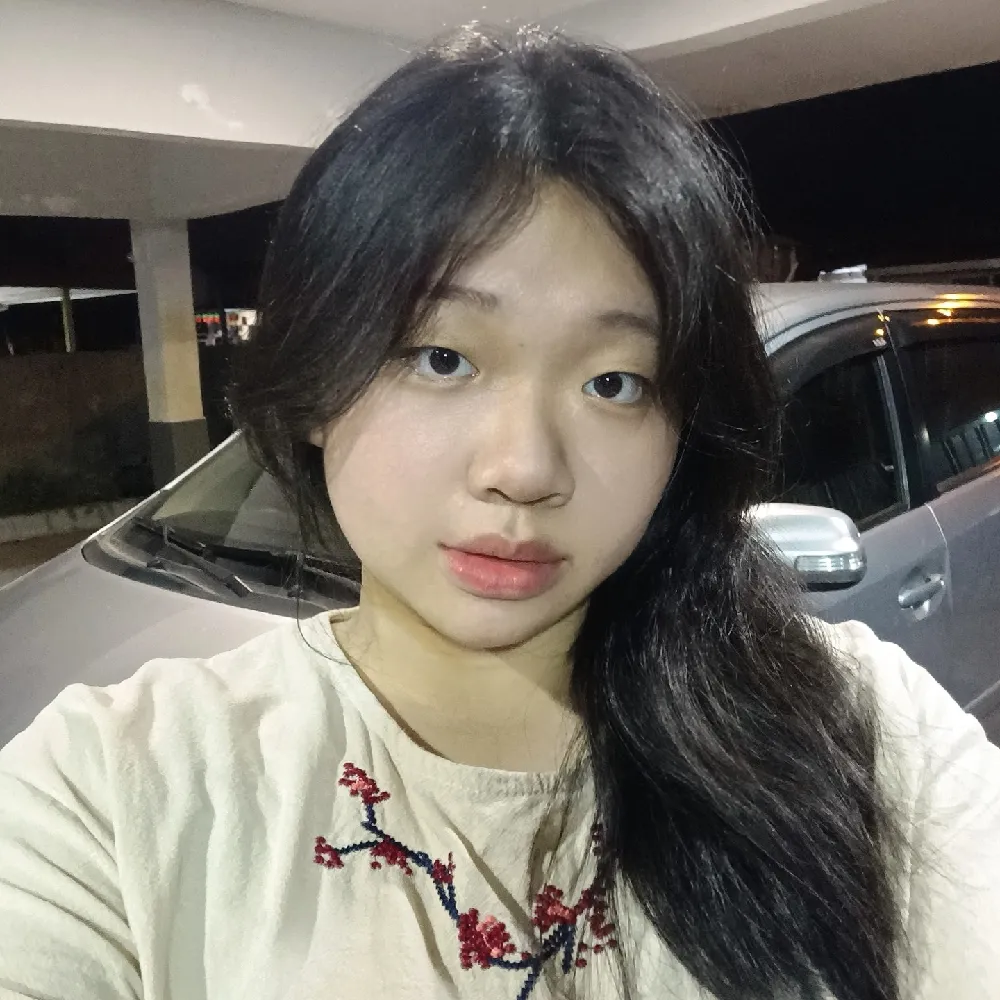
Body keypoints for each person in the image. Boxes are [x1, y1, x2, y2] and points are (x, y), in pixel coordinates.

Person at [0, 25, 998, 1000]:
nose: (524, 470)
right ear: (314, 382)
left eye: (614, 383)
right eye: (442, 358)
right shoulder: (123, 791)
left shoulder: (861, 733)